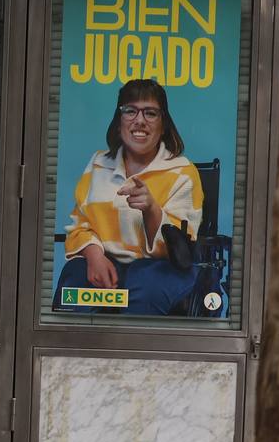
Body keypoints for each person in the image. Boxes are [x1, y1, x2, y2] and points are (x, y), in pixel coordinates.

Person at [55, 79, 202, 315]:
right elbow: (80, 225)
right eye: (130, 111)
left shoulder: (182, 171)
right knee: (75, 280)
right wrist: (94, 256)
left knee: (144, 288)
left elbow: (181, 247)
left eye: (150, 113)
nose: (140, 120)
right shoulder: (98, 164)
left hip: (162, 268)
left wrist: (151, 209)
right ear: (118, 121)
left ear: (163, 124)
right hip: (105, 261)